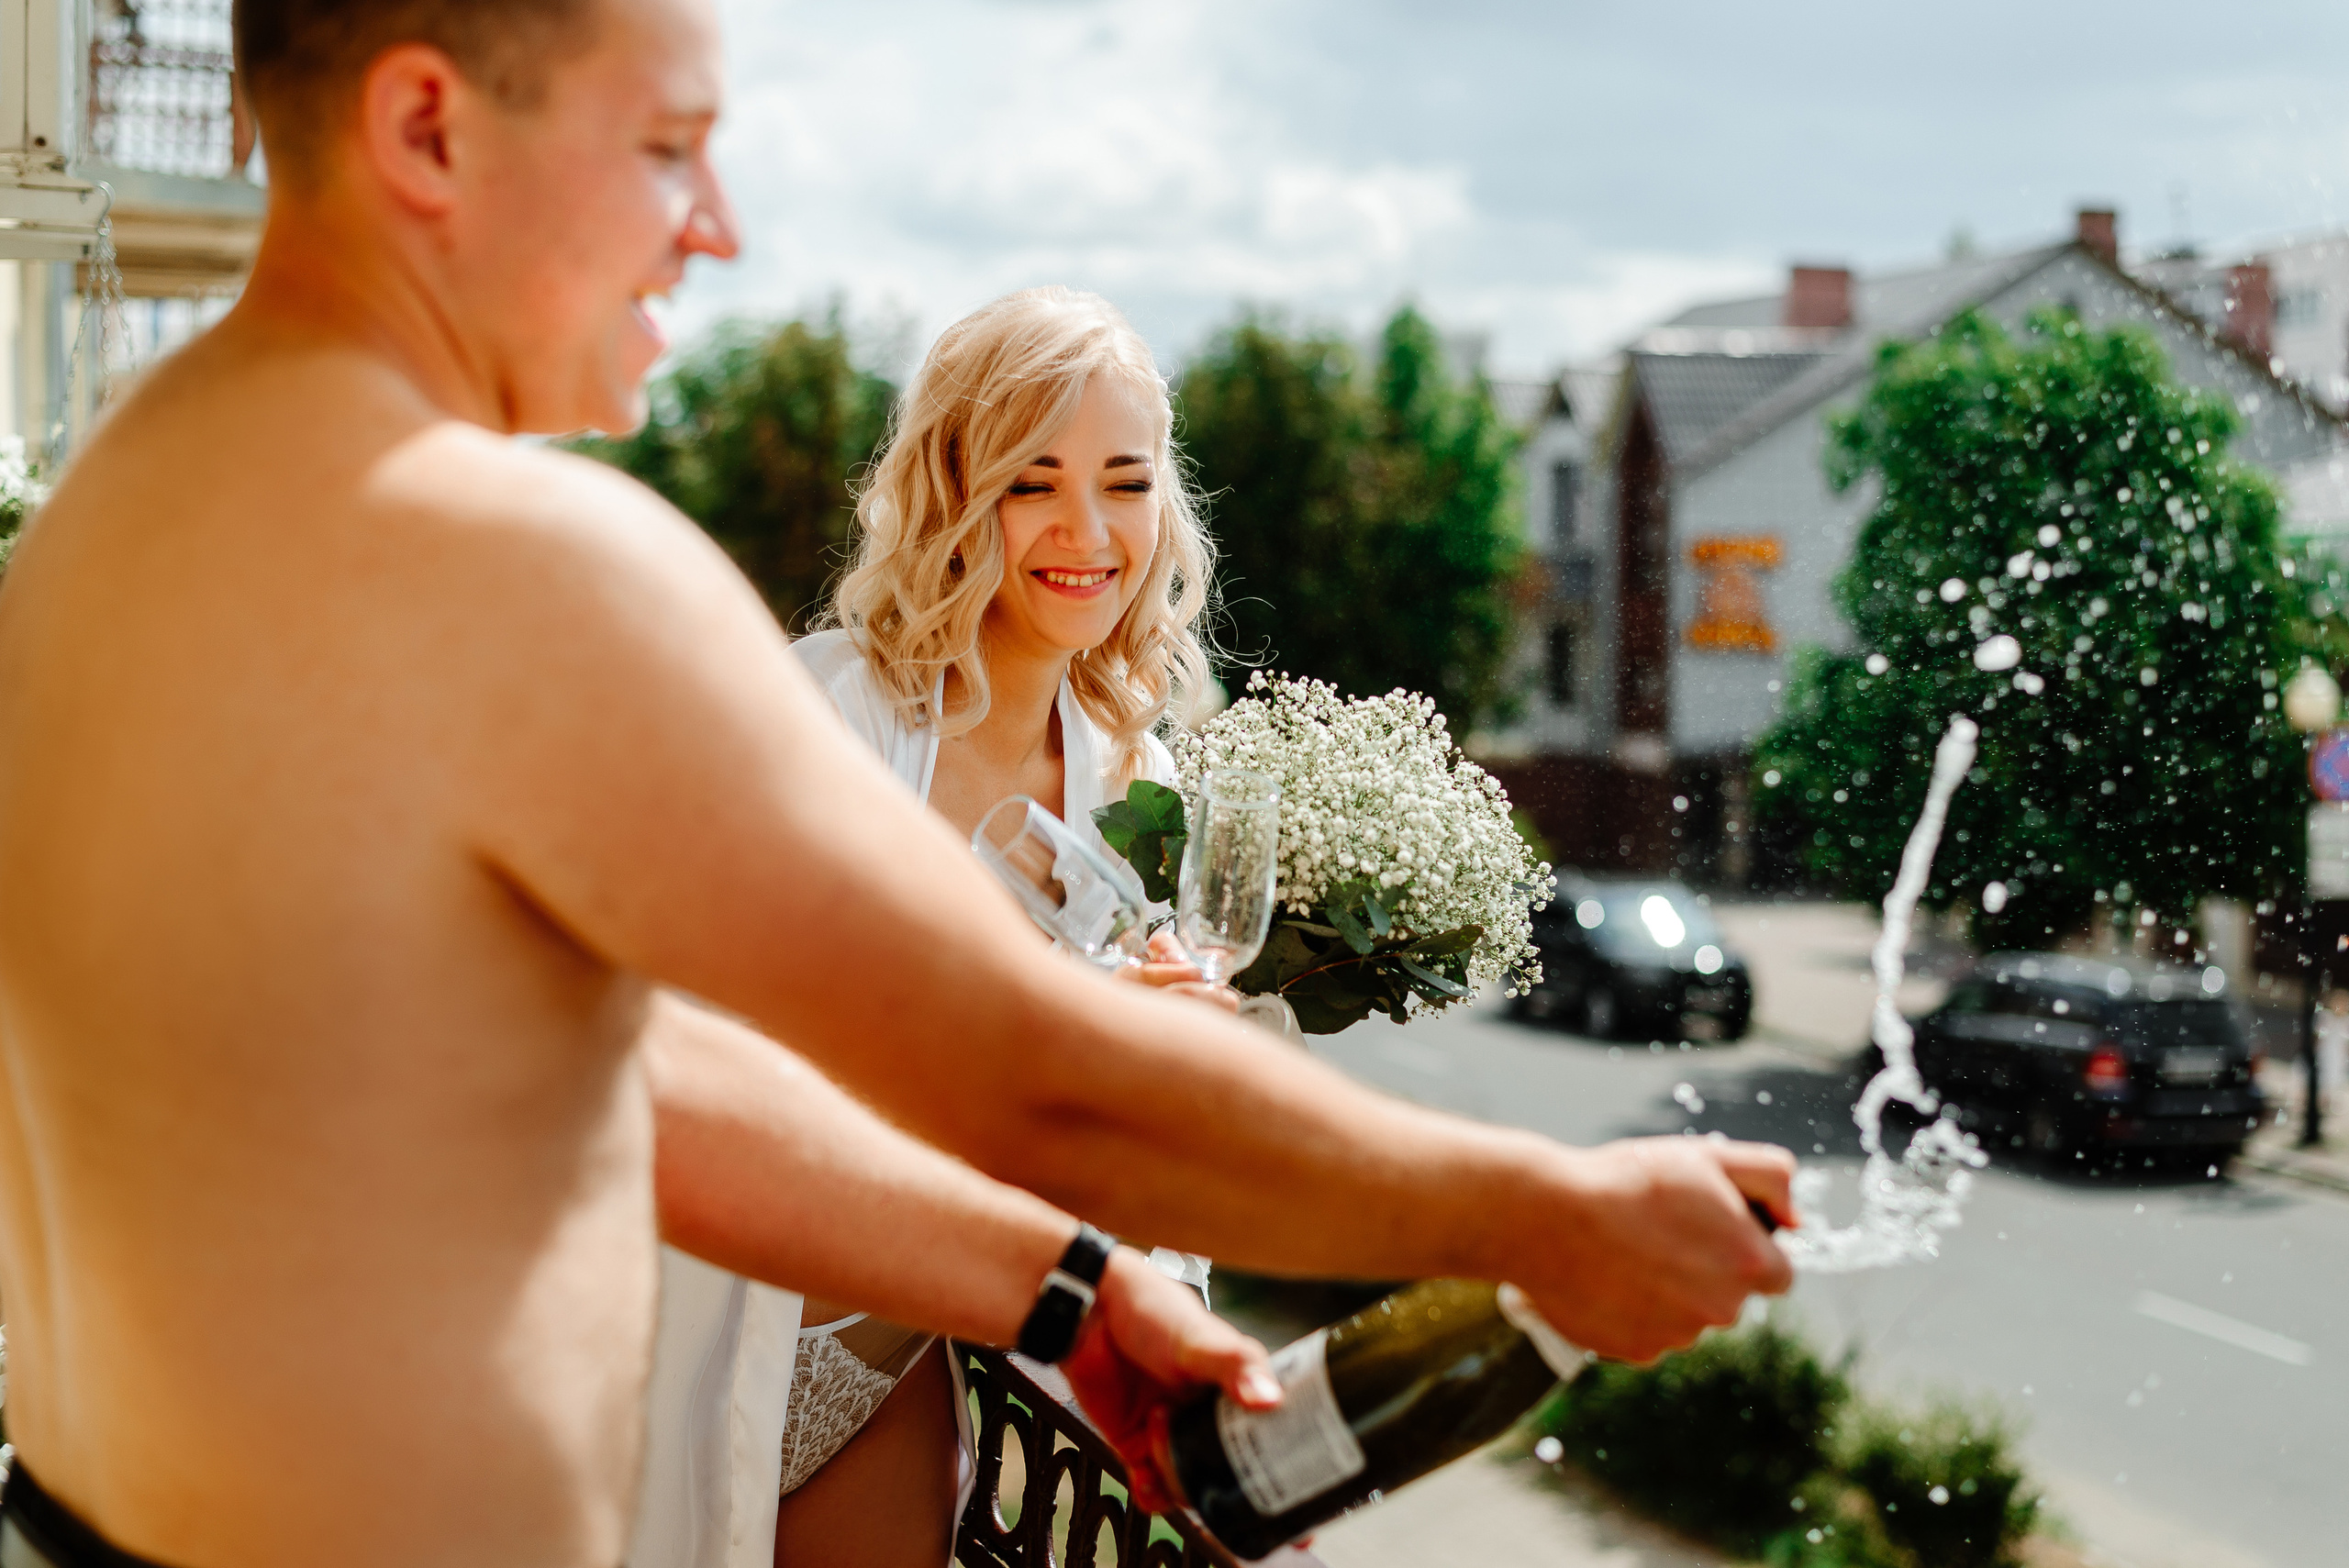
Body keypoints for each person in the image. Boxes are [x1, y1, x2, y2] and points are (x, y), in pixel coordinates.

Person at [0, 5, 1798, 1568]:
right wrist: (1550, 1216)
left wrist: (1064, 1295)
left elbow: (641, 1087)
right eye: (669, 147)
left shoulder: (110, 521)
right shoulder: (513, 567)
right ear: (423, 127)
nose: (715, 228)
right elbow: (1039, 1083)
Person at [754, 285, 1224, 1566]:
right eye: (1033, 483)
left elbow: (1138, 1140)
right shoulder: (829, 711)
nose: (1088, 530)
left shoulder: (1143, 777)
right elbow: (756, 1058)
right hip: (755, 1311)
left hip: (927, 1337)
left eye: (1124, 483)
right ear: (957, 491)